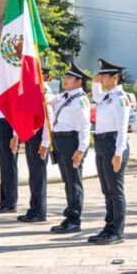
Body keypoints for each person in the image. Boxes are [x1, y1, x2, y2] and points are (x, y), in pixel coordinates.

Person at [41, 63, 92, 234]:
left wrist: (81, 149)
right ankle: (69, 215)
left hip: (71, 141)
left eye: (69, 77)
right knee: (68, 182)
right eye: (66, 77)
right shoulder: (64, 96)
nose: (66, 80)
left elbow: (85, 126)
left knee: (74, 182)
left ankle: (74, 220)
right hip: (60, 141)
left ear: (79, 81)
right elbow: (47, 99)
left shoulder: (81, 100)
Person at [91, 59, 131, 245]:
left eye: (104, 76)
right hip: (102, 143)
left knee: (115, 190)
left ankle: (117, 230)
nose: (101, 79)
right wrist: (94, 82)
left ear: (115, 77)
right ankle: (108, 227)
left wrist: (118, 153)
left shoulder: (121, 98)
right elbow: (96, 95)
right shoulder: (108, 96)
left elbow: (123, 128)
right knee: (107, 190)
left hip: (113, 144)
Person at [18, 67, 53, 223]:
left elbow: (48, 117)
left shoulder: (45, 91)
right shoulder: (32, 90)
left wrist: (45, 142)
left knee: (38, 176)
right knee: (34, 176)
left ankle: (39, 212)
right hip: (32, 135)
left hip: (40, 137)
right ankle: (34, 209)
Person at [0, 81, 19, 215]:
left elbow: (16, 109)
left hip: (10, 124)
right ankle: (4, 200)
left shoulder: (11, 81)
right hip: (1, 123)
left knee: (9, 165)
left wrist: (15, 135)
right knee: (4, 166)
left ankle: (10, 202)